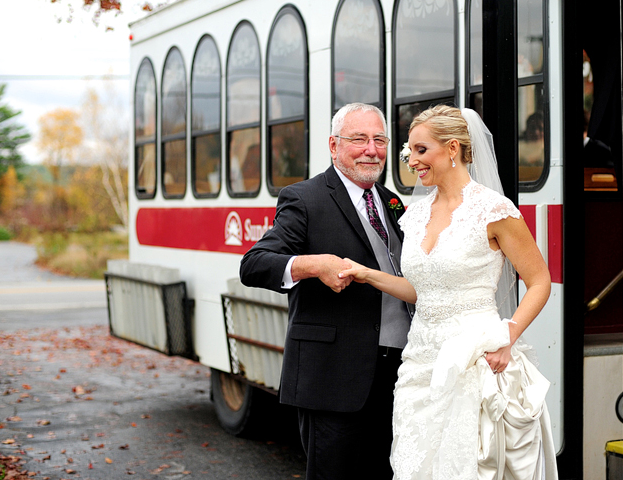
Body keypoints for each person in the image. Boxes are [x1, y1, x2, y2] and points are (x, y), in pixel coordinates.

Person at [339, 105, 557, 480]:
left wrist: (507, 336)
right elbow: (421, 290)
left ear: (452, 148)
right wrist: (368, 275)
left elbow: (540, 281)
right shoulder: (415, 214)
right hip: (420, 361)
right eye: (409, 152)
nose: (412, 161)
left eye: (421, 151)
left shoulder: (493, 210)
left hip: (475, 361)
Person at [239, 103, 411, 480]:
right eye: (359, 139)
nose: (372, 149)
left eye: (379, 139)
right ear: (333, 146)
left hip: (398, 374)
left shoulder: (391, 201)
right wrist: (315, 265)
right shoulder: (304, 198)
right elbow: (253, 264)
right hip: (334, 378)